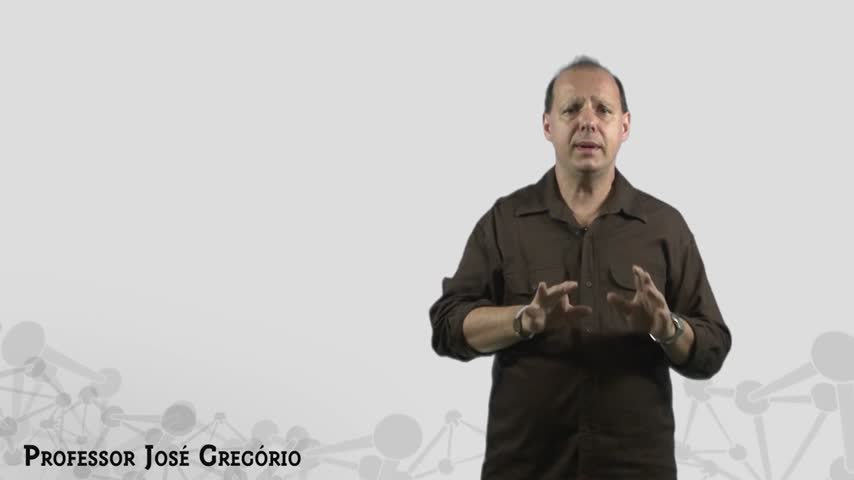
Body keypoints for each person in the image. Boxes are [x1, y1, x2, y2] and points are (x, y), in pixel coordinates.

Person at [428, 56, 732, 479]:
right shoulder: (505, 221)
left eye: (603, 110)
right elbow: (448, 326)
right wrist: (521, 320)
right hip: (526, 469)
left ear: (624, 126)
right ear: (547, 125)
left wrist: (668, 328)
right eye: (571, 109)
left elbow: (711, 348)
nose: (588, 122)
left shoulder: (664, 226)